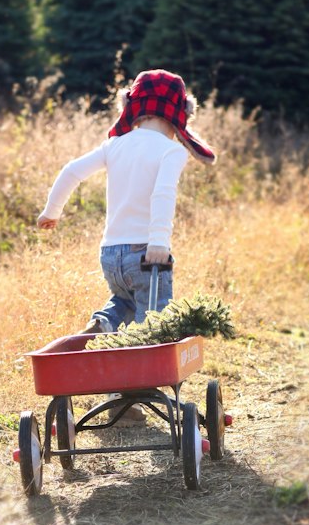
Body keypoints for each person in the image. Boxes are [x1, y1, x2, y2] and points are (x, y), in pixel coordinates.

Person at [37, 68, 216, 335]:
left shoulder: (115, 145)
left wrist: (51, 212)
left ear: (131, 108)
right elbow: (163, 194)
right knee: (154, 322)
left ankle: (104, 323)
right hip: (146, 252)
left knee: (124, 301)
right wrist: (158, 242)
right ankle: (146, 372)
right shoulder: (172, 151)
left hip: (110, 254)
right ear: (181, 114)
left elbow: (71, 171)